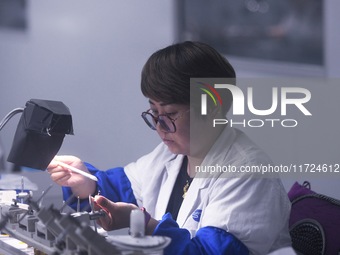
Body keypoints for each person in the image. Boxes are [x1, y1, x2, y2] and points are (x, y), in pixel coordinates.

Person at [48, 41, 292, 255]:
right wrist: (86, 184)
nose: (159, 126)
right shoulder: (172, 154)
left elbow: (210, 252)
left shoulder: (249, 172)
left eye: (170, 113)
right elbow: (126, 188)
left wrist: (145, 224)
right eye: (154, 112)